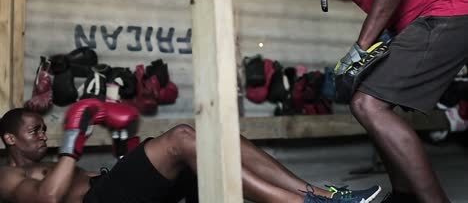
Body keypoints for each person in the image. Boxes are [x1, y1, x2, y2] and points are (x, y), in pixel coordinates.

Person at [276, 0, 468, 202]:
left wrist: (360, 49)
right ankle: (404, 196)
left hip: (449, 9)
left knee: (369, 105)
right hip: (423, 20)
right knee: (365, 103)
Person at [0, 104, 381, 203]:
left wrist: (121, 145)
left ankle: (319, 194)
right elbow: (49, 198)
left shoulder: (51, 164)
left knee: (213, 140)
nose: (43, 136)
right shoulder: (7, 178)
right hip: (100, 200)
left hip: (112, 189)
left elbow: (87, 176)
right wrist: (73, 138)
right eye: (34, 131)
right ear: (9, 140)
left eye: (44, 129)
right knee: (182, 137)